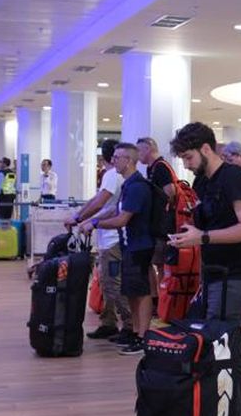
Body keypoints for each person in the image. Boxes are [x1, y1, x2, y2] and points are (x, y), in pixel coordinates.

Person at [167, 122, 241, 416]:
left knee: (230, 353)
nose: (186, 164)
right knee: (220, 352)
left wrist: (203, 237)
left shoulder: (235, 178)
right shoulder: (204, 181)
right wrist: (194, 231)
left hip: (237, 278)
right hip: (216, 277)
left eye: (189, 156)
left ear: (206, 149)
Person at [79, 143, 154, 356]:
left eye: (118, 157)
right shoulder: (128, 185)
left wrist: (94, 224)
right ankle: (135, 332)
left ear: (129, 160)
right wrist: (86, 219)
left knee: (141, 292)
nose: (114, 161)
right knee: (130, 291)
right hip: (128, 245)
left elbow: (122, 219)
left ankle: (142, 336)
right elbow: (113, 209)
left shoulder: (138, 186)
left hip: (139, 246)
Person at [65, 139, 132, 342]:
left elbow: (100, 202)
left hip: (113, 238)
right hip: (109, 236)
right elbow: (101, 203)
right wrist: (83, 218)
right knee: (106, 281)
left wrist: (79, 218)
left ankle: (129, 326)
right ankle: (108, 321)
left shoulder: (113, 176)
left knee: (112, 282)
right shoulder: (115, 176)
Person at [138, 137, 177, 301]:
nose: (138, 155)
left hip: (163, 225)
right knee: (155, 263)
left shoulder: (161, 167)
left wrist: (159, 207)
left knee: (160, 264)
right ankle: (157, 298)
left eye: (139, 150)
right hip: (156, 224)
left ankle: (162, 299)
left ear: (148, 149)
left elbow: (171, 192)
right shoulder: (151, 168)